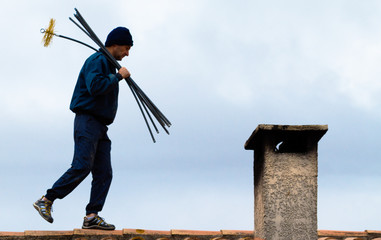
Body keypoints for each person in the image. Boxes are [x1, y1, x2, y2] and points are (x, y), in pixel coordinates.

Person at [33, 27, 133, 230]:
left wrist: (116, 75)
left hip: (100, 126)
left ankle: (92, 216)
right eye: (126, 48)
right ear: (114, 44)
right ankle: (47, 199)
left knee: (104, 172)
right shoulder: (97, 60)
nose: (127, 54)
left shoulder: (110, 64)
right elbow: (95, 87)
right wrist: (118, 77)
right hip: (87, 121)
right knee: (82, 165)